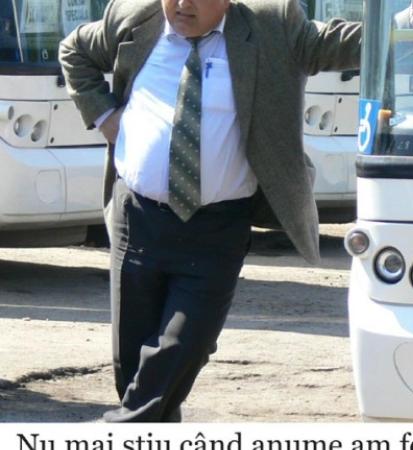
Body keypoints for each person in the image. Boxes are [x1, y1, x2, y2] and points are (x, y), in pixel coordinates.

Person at [58, 0, 362, 422]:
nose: (183, 5)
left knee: (182, 347)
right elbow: (74, 50)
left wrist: (407, 22)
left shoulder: (271, 25)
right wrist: (104, 114)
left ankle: (120, 429)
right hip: (138, 222)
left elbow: (344, 44)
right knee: (134, 366)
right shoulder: (134, 17)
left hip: (216, 229)